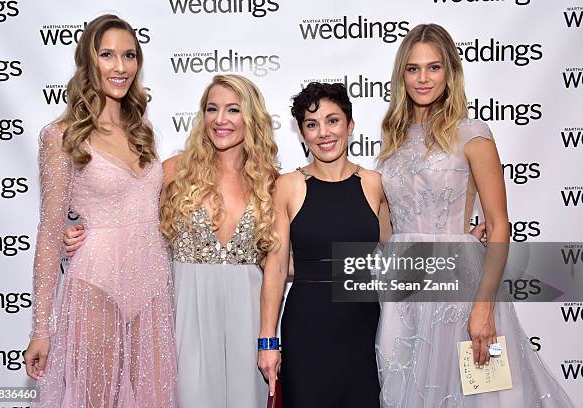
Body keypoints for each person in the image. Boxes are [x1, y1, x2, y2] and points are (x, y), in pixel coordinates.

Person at [375, 23, 575, 407]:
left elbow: (499, 224)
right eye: (413, 68)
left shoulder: (472, 134)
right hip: (403, 289)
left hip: (459, 288)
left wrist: (483, 307)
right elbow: (385, 224)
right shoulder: (392, 140)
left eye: (433, 67)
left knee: (474, 394)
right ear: (401, 74)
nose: (423, 78)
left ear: (450, 72)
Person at [65, 74, 278, 408]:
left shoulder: (271, 182)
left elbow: (283, 260)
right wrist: (85, 231)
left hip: (248, 317)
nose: (220, 119)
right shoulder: (174, 172)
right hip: (184, 312)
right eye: (212, 109)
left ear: (251, 117)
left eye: (233, 110)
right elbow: (126, 214)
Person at [24, 14, 177, 407]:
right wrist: (41, 328)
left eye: (129, 55)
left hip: (154, 287)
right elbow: (48, 230)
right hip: (97, 286)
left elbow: (148, 201)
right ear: (88, 62)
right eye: (107, 54)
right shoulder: (60, 136)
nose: (120, 66)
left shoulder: (142, 128)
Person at [258, 82, 390, 407]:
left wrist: (461, 241)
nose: (323, 133)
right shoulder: (288, 186)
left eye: (332, 120)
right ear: (302, 133)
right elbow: (275, 269)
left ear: (350, 124)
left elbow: (394, 256)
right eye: (311, 124)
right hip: (307, 329)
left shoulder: (375, 184)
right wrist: (267, 342)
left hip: (365, 329)